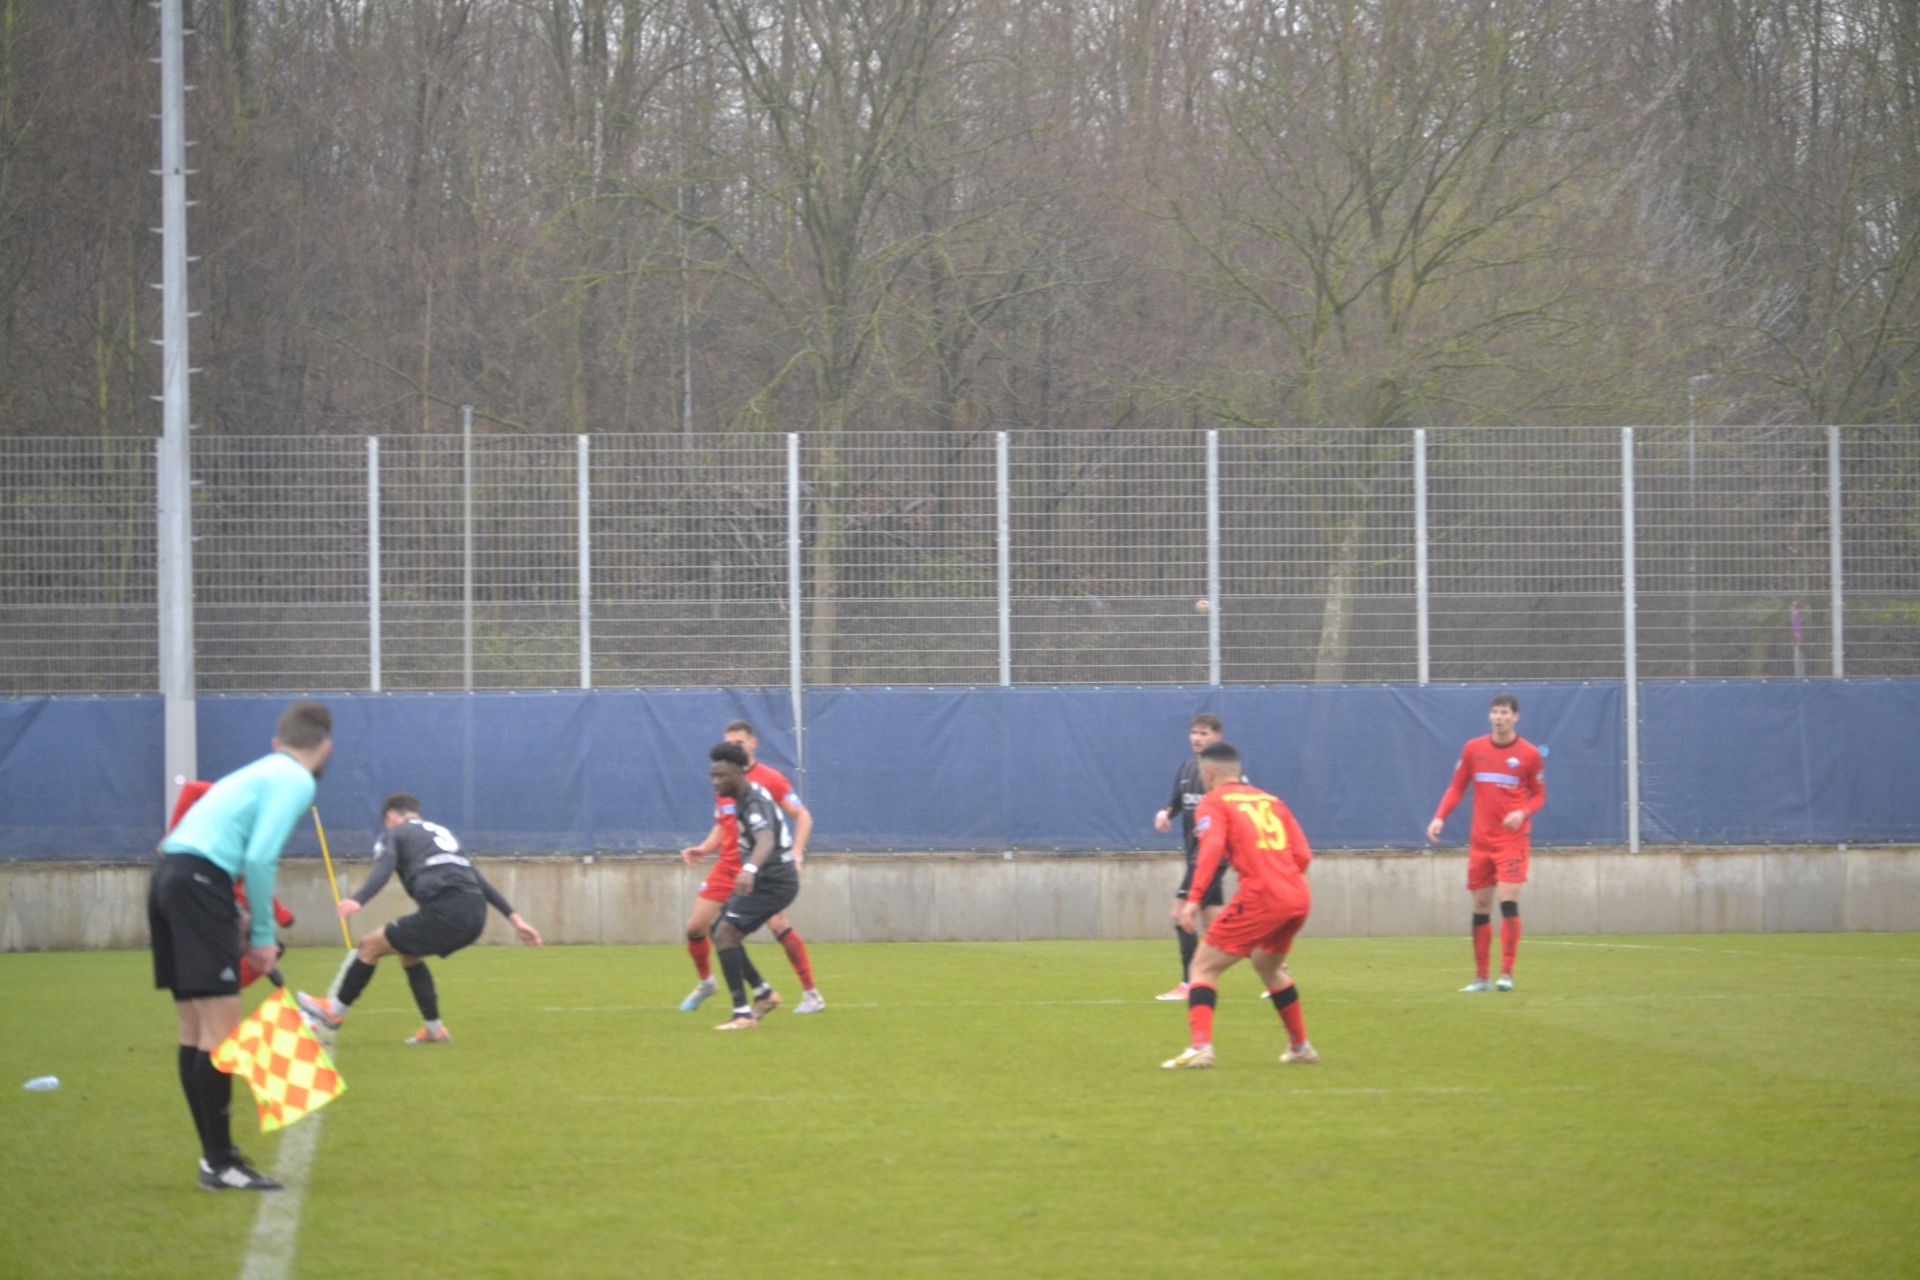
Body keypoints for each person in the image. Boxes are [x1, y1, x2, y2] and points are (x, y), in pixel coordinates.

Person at [149, 699, 332, 1192]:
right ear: (325, 747)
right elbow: (259, 857)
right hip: (199, 882)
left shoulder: (258, 771)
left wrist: (234, 909)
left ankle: (216, 1159)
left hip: (169, 877)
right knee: (220, 1034)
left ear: (277, 741)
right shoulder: (296, 778)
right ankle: (221, 1165)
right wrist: (264, 936)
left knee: (195, 1030)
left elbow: (212, 843)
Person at [296, 794, 542, 1041]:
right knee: (408, 955)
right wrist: (516, 920)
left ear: (391, 816)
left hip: (446, 911)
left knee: (369, 945)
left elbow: (383, 869)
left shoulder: (394, 833)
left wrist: (358, 899)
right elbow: (479, 881)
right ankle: (434, 1029)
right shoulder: (441, 834)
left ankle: (335, 1011)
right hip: (475, 913)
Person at [1162, 741, 1318, 1069]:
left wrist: (1193, 899)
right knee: (1268, 967)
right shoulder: (1270, 800)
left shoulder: (1213, 802)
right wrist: (1282, 880)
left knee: (1202, 968)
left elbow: (1211, 848)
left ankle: (1200, 1048)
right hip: (1297, 895)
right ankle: (1300, 1047)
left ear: (1208, 772)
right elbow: (1303, 854)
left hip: (1262, 896)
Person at [678, 719, 824, 1014]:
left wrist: (796, 853)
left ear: (753, 744)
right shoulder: (723, 777)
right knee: (697, 927)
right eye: (729, 743)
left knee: (775, 925)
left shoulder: (770, 779)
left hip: (759, 867)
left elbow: (802, 816)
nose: (734, 748)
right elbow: (724, 824)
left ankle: (810, 994)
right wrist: (704, 848)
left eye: (739, 743)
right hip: (728, 865)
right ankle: (708, 983)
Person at [1426, 692, 1547, 992]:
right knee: (1481, 904)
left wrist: (1522, 812)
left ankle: (1506, 973)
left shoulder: (1529, 754)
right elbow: (1457, 787)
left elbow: (1539, 796)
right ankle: (1481, 977)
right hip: (1481, 841)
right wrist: (1439, 817)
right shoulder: (1474, 749)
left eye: (1504, 712)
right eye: (1495, 712)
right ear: (1489, 716)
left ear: (1515, 717)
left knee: (1507, 899)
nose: (1499, 717)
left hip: (1511, 841)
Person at [702, 742, 802, 1030]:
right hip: (765, 878)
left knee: (725, 934)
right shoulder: (742, 796)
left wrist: (749, 869)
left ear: (738, 771)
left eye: (722, 775)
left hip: (774, 881)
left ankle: (742, 1014)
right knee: (718, 930)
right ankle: (763, 993)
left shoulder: (753, 801)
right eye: (713, 775)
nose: (716, 781)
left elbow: (766, 840)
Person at [1152, 712, 1229, 1000]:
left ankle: (1190, 984)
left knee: (1179, 914)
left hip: (1209, 858)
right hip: (1195, 856)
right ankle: (1273, 962)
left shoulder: (1224, 773)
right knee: (1217, 926)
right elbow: (1177, 802)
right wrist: (1165, 813)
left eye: (1204, 733)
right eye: (1194, 733)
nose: (1197, 738)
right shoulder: (1187, 767)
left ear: (1217, 737)